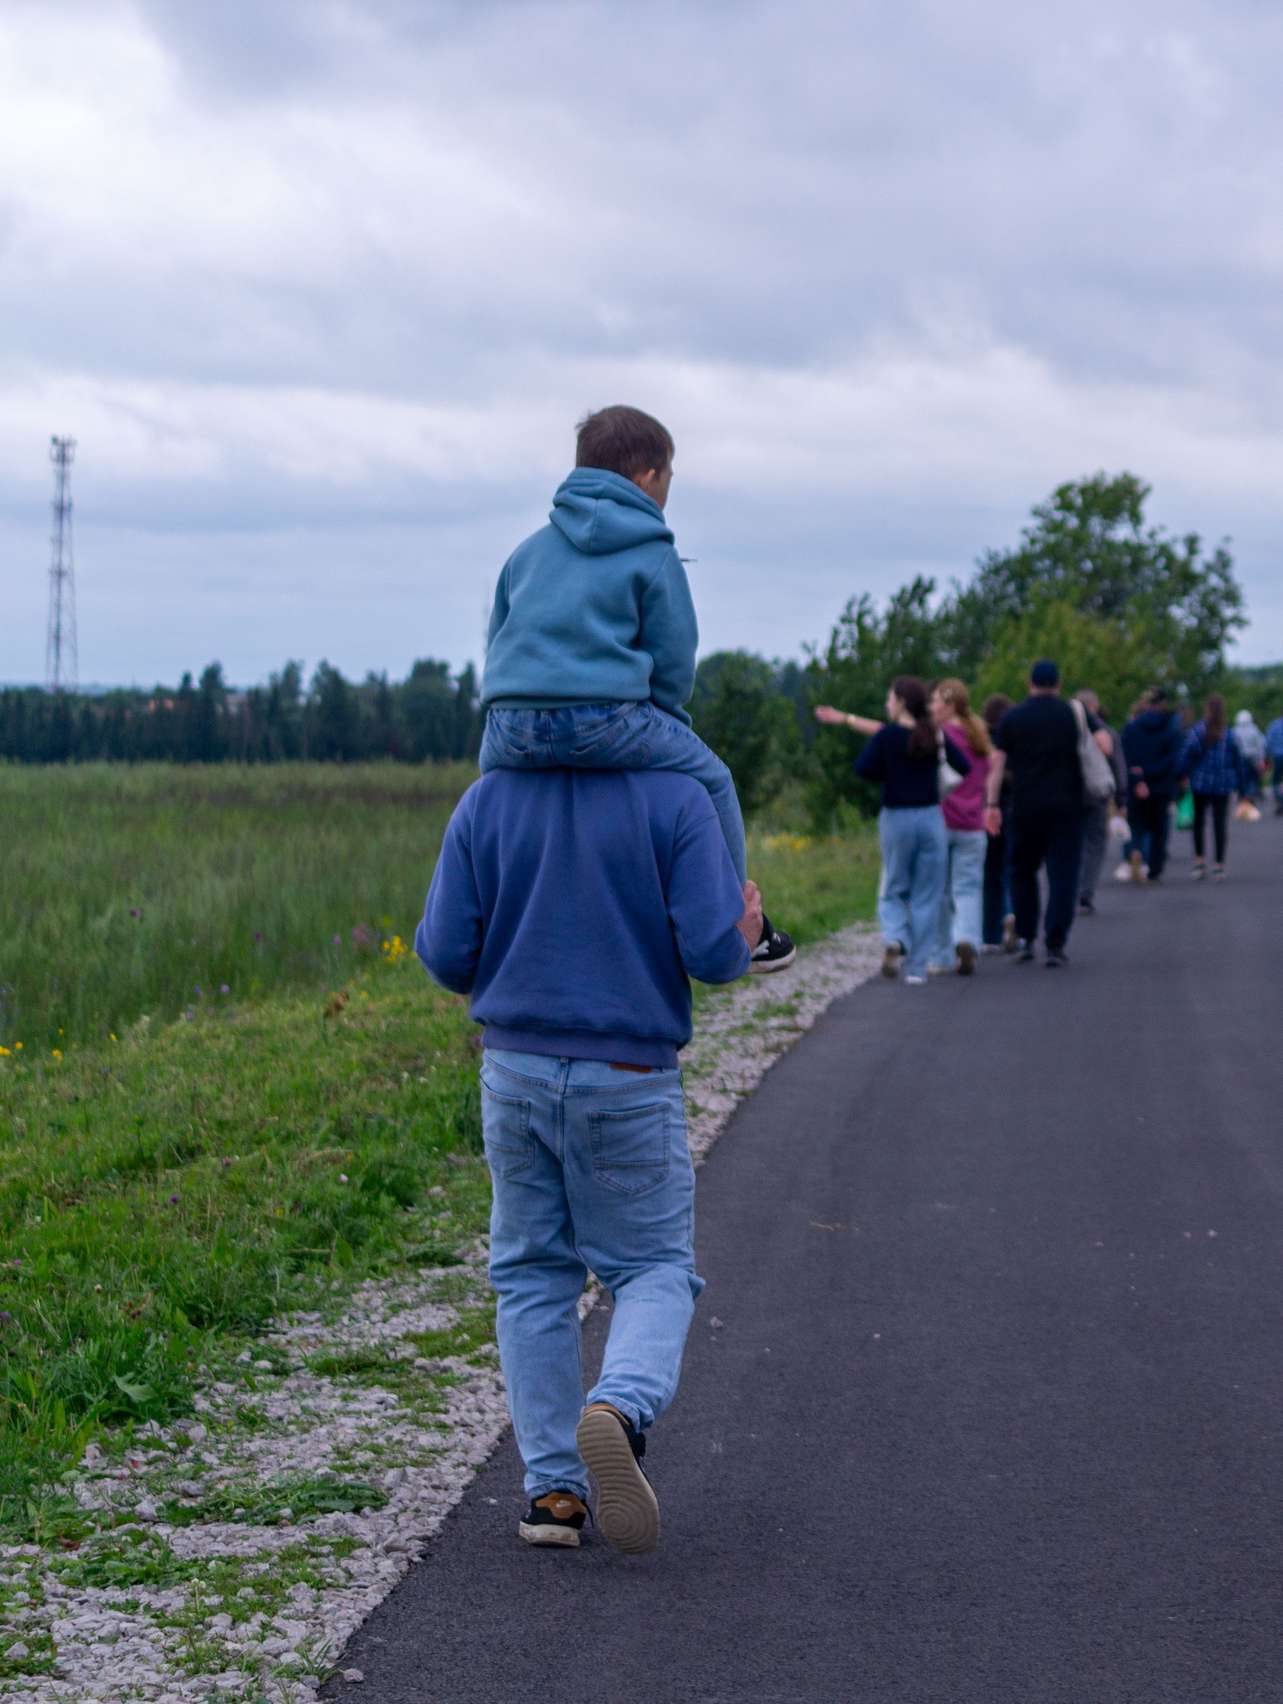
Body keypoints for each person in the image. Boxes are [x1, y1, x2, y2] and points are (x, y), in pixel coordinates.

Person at [414, 760, 765, 1555]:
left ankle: (554, 1495)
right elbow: (712, 954)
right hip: (629, 1074)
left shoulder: (488, 798)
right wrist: (746, 930)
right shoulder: (676, 793)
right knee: (652, 1268)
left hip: (513, 1069)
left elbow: (443, 955)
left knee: (533, 1272)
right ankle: (618, 1407)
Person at [477, 405, 795, 975]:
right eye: (670, 477)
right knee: (715, 780)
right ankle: (736, 924)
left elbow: (498, 638)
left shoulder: (524, 553)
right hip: (606, 719)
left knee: (491, 797)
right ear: (649, 476)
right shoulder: (653, 552)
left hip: (509, 727)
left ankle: (490, 913)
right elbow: (672, 668)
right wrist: (665, 727)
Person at [815, 678, 967, 982]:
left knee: (894, 889)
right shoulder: (933, 734)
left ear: (900, 702)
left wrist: (891, 773)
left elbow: (863, 768)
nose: (886, 704)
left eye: (889, 699)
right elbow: (963, 765)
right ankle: (916, 970)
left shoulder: (887, 738)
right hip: (930, 818)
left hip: (896, 818)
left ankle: (895, 939)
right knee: (927, 894)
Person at [987, 659, 1092, 965]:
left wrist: (992, 805)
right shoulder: (1072, 714)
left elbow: (997, 765)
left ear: (1029, 684)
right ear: (1058, 684)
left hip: (1024, 806)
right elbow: (1104, 746)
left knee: (1021, 870)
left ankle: (1026, 938)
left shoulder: (1012, 717)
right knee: (1063, 874)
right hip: (1066, 806)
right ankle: (1056, 943)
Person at [933, 679, 1002, 974]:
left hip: (942, 819)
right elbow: (991, 769)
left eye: (934, 700)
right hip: (973, 823)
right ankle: (968, 939)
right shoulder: (979, 734)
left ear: (948, 705)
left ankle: (941, 955)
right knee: (969, 888)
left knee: (940, 890)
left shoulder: (941, 735)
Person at [1123, 689, 1191, 881]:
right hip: (1161, 786)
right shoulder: (1170, 729)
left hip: (1137, 786)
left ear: (1145, 704)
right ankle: (1154, 871)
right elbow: (1173, 759)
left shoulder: (1132, 727)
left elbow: (1125, 756)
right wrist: (1152, 773)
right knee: (1159, 829)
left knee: (1137, 825)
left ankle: (1136, 851)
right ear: (1162, 704)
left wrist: (1138, 778)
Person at [1186, 694, 1253, 880]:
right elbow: (1239, 763)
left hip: (1200, 783)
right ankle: (1219, 865)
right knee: (1220, 825)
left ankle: (1199, 862)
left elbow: (1186, 755)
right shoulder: (1229, 734)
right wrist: (1243, 790)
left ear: (1206, 710)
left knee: (1198, 823)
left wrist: (1180, 776)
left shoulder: (1197, 731)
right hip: (1223, 785)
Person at [1073, 689, 1122, 914]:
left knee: (1074, 843)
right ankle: (1086, 891)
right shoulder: (1105, 732)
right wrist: (1121, 797)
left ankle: (1072, 888)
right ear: (1094, 706)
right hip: (1097, 794)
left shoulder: (1067, 730)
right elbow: (1118, 765)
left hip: (1071, 795)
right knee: (1095, 843)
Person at [978, 693, 1014, 947]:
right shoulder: (1015, 741)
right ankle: (1014, 917)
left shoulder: (981, 744)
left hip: (987, 813)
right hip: (1014, 811)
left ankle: (991, 935)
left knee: (990, 875)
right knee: (1013, 871)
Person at [1231, 709, 1268, 810]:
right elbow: (1261, 745)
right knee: (1253, 779)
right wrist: (1261, 759)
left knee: (1242, 779)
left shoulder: (1235, 731)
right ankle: (1251, 796)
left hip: (1240, 759)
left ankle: (1243, 797)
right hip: (1253, 758)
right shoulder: (1254, 730)